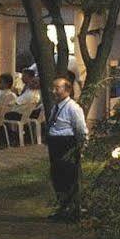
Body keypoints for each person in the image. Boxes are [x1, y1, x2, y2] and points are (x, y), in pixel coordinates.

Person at [45, 76, 88, 221]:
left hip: (66, 143)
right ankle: (62, 207)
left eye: (57, 88)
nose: (53, 91)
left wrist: (82, 146)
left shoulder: (73, 108)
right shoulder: (56, 107)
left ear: (67, 90)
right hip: (55, 144)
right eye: (53, 88)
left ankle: (72, 209)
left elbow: (80, 129)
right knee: (57, 177)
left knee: (69, 177)